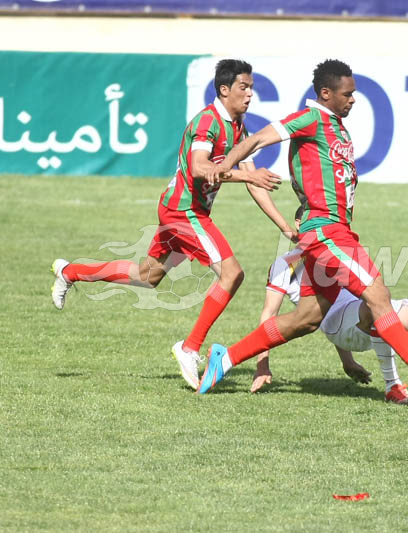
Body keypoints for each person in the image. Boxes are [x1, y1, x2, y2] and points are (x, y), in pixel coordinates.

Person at [195, 59, 408, 397]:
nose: (353, 100)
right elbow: (258, 140)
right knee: (378, 294)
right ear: (326, 93)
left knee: (305, 319)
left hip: (332, 230)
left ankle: (226, 358)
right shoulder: (310, 118)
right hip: (325, 230)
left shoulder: (337, 126)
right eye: (347, 94)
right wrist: (226, 167)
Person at [50, 59, 293, 390]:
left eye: (251, 88)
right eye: (243, 87)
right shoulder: (208, 122)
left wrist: (284, 226)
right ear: (224, 90)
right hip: (183, 212)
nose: (250, 94)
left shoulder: (238, 126)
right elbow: (198, 168)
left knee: (146, 276)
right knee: (233, 273)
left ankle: (70, 271)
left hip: (183, 211)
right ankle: (190, 348)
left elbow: (254, 183)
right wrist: (247, 173)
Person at [250, 204, 408, 406]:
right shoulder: (284, 264)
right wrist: (262, 364)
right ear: (300, 224)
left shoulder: (335, 246)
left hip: (357, 314)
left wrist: (347, 362)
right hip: (340, 326)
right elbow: (271, 314)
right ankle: (394, 386)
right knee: (374, 306)